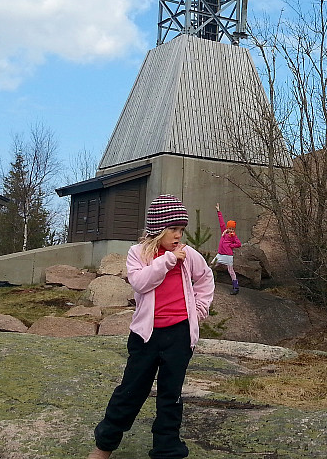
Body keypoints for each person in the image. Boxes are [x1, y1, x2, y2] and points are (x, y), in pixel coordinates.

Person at [87, 194, 214, 459]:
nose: (178, 236)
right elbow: (141, 283)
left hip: (179, 335)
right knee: (131, 391)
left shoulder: (189, 255)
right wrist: (167, 260)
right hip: (147, 336)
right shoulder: (139, 254)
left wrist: (199, 310)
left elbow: (205, 278)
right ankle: (104, 446)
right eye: (173, 229)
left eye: (181, 230)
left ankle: (167, 451)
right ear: (158, 230)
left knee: (171, 396)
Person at [215, 202, 242, 295]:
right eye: (230, 228)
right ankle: (203, 281)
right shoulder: (224, 232)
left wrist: (231, 246)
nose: (231, 230)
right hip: (220, 254)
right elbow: (221, 222)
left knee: (231, 271)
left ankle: (236, 287)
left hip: (228, 255)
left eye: (232, 229)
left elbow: (239, 244)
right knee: (211, 266)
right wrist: (218, 211)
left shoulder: (233, 236)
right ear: (227, 227)